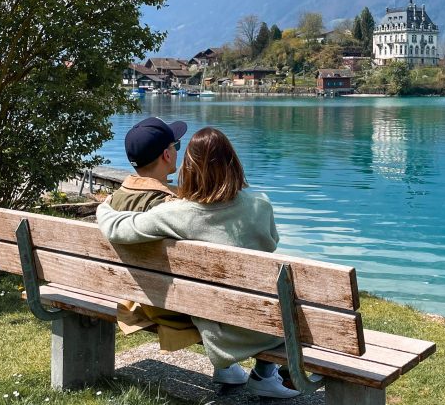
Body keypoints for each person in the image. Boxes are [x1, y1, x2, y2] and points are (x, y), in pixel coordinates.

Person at [97, 127, 299, 399]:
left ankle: (234, 369)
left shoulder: (175, 214)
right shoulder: (260, 205)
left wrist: (104, 207)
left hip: (216, 330)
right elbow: (272, 242)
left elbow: (117, 229)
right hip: (267, 327)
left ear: (189, 168)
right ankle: (264, 373)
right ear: (233, 163)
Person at [110, 117, 202, 355]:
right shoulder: (170, 207)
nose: (177, 151)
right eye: (176, 145)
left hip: (131, 293)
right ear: (166, 155)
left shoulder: (113, 202)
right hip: (168, 305)